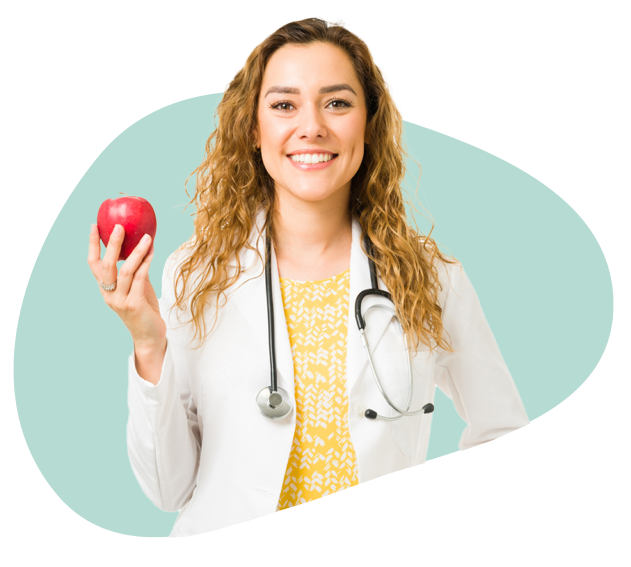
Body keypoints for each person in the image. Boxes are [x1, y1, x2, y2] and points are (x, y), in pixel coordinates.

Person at [87, 15, 530, 537]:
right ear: (254, 129)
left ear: (368, 122)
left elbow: (501, 426)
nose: (312, 125)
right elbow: (168, 490)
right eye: (284, 105)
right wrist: (148, 343)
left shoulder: (431, 279)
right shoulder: (195, 274)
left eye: (338, 102)